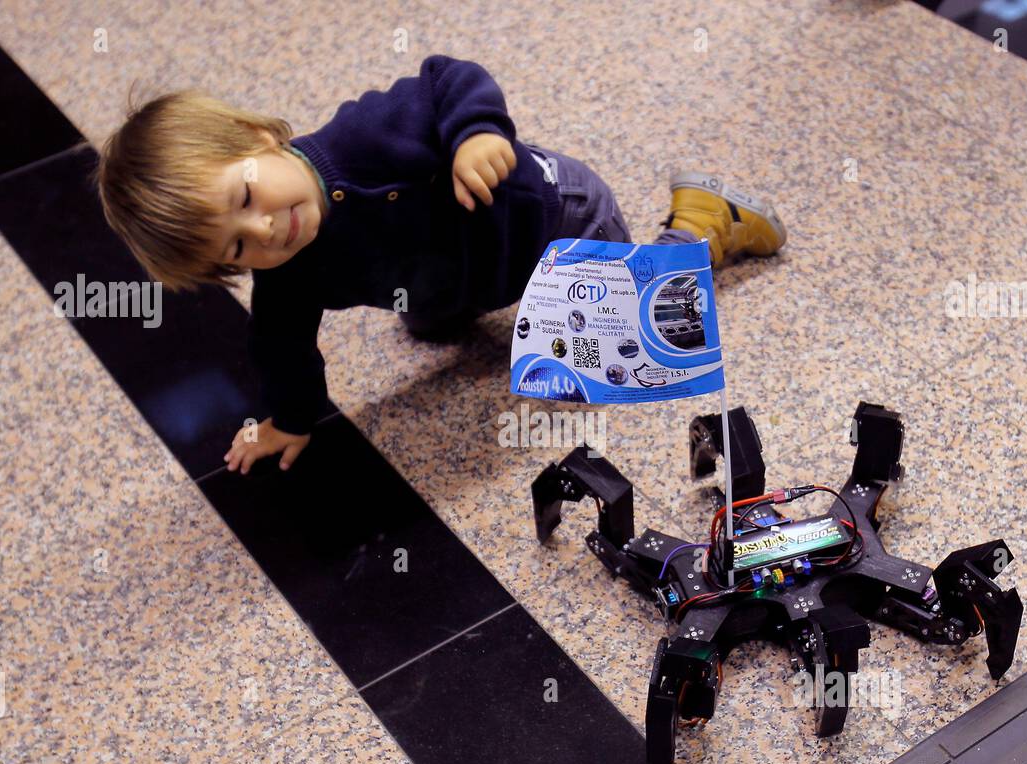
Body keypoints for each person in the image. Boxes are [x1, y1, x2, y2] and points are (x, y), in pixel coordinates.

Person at [93, 54, 786, 474]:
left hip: (554, 219)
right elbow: (280, 345)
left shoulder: (365, 137)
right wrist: (291, 418)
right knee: (424, 321)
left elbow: (447, 78)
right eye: (238, 247)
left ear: (257, 136)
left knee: (602, 372)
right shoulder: (288, 270)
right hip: (459, 269)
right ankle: (473, 297)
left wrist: (475, 135)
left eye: (246, 196)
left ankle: (702, 223)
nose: (267, 228)